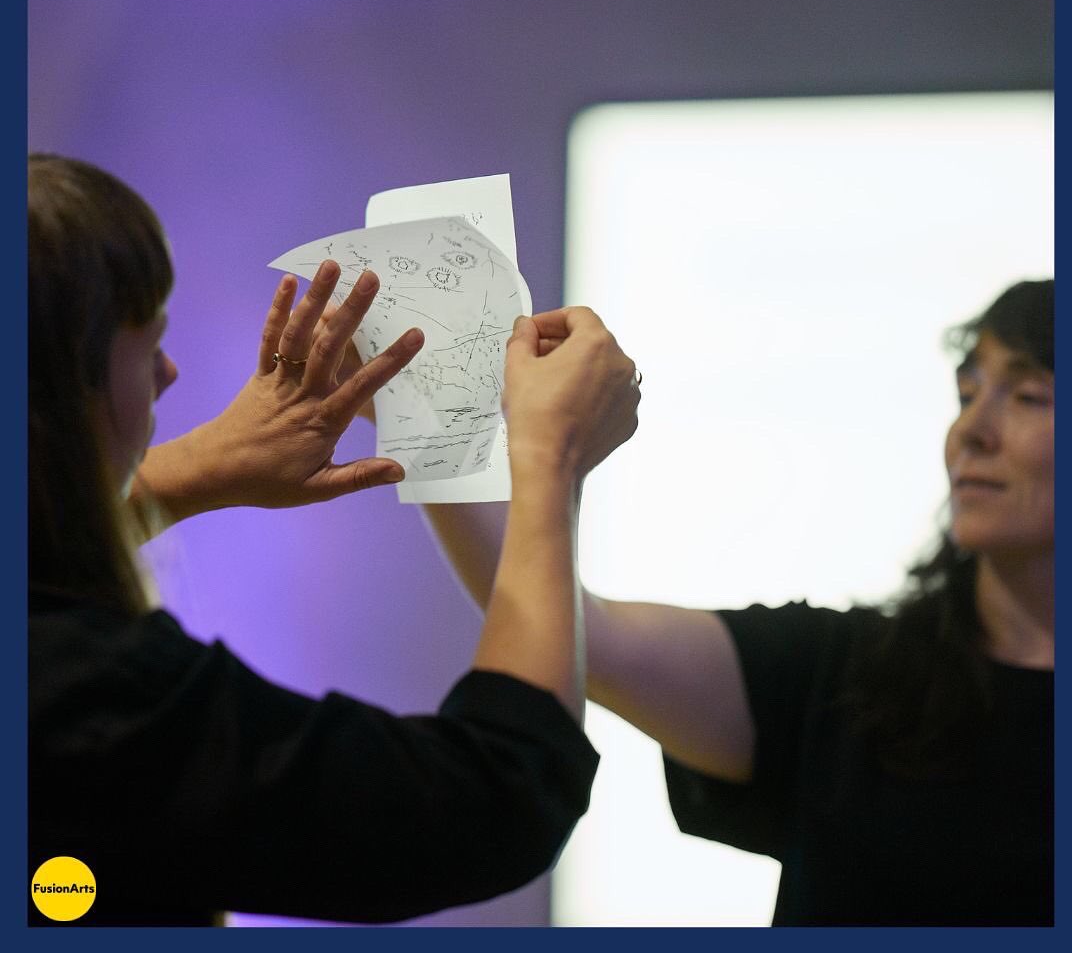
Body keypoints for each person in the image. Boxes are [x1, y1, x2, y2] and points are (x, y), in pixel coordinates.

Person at [28, 153, 640, 926]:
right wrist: (550, 461)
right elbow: (493, 796)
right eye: (145, 345)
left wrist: (183, 474)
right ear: (57, 386)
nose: (169, 373)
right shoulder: (94, 704)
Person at [418, 278, 1053, 925]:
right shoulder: (852, 679)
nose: (971, 430)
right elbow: (583, 632)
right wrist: (420, 410)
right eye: (967, 393)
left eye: (1031, 396)